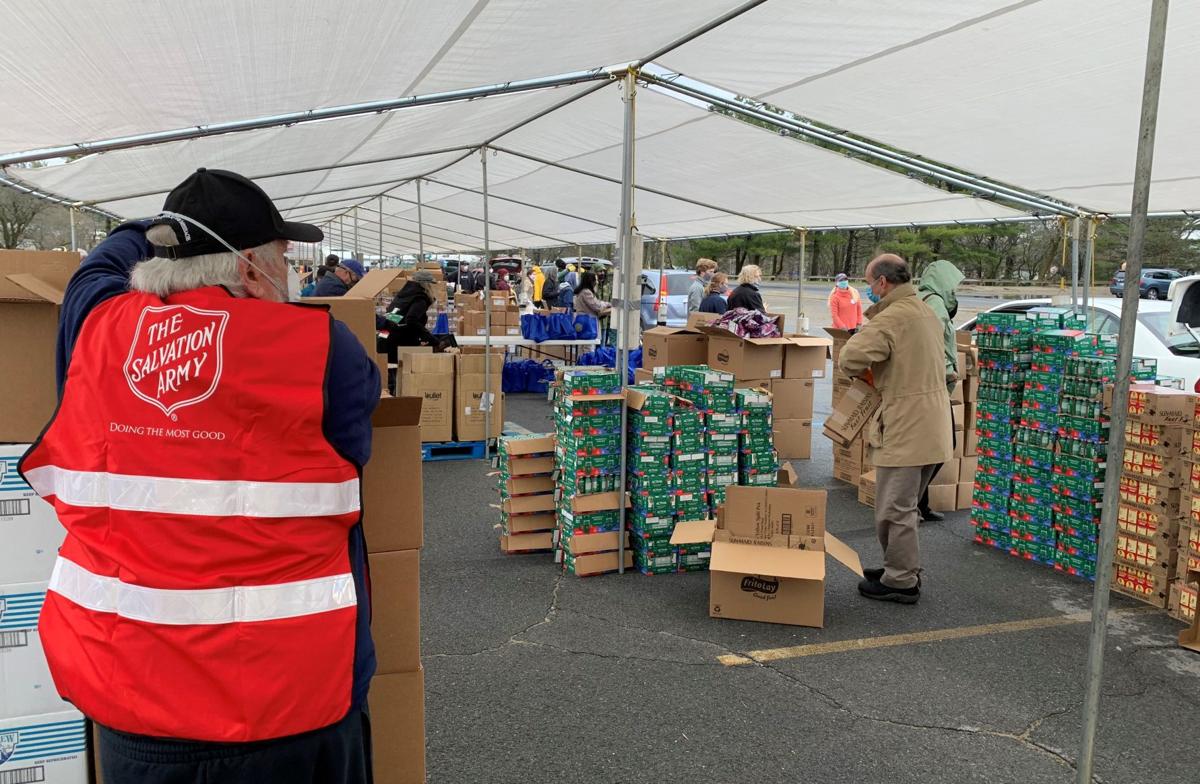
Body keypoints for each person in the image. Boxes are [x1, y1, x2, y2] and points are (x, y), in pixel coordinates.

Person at [18, 168, 379, 782]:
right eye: (283, 258)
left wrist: (154, 234)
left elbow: (96, 270)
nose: (289, 274)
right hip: (290, 701)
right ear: (247, 268)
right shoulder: (325, 351)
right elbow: (349, 444)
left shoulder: (96, 331)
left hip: (131, 696)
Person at [839, 253, 953, 605]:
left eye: (869, 283)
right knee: (905, 506)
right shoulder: (926, 311)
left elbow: (848, 359)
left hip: (906, 425)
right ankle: (899, 567)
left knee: (894, 508)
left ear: (883, 283)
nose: (868, 290)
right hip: (934, 423)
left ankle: (901, 581)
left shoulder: (891, 319)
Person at [915, 259, 965, 523]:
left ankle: (920, 503)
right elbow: (932, 341)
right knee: (943, 445)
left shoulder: (928, 299)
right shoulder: (933, 302)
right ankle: (913, 502)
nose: (955, 291)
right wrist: (946, 369)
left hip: (932, 385)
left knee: (932, 447)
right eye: (953, 286)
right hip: (935, 385)